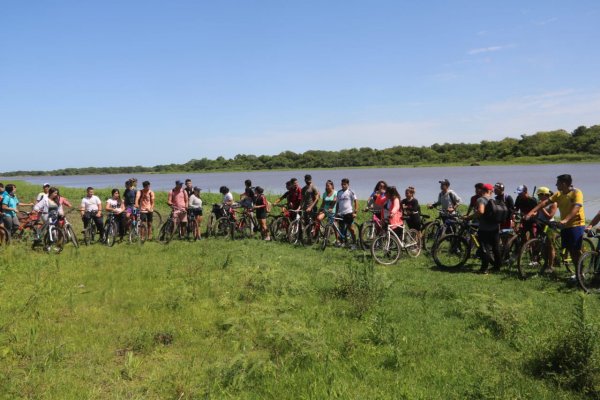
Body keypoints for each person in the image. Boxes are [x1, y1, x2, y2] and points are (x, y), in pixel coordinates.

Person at [526, 174, 586, 274]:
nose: (556, 185)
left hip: (576, 224)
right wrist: (531, 212)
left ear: (563, 184)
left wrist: (566, 219)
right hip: (565, 225)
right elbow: (544, 203)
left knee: (575, 250)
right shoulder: (558, 194)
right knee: (570, 250)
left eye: (557, 183)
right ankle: (577, 273)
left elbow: (577, 207)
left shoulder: (577, 192)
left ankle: (581, 273)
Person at [475, 183, 502, 274]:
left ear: (483, 190)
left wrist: (471, 216)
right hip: (495, 228)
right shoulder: (494, 199)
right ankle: (497, 267)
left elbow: (481, 211)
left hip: (484, 229)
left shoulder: (481, 199)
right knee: (495, 248)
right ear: (490, 191)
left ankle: (484, 269)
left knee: (484, 249)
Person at [336, 178, 358, 247]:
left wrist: (355, 212)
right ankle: (344, 242)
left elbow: (355, 201)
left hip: (348, 213)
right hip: (341, 213)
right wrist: (336, 212)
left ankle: (355, 243)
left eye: (344, 184)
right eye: (342, 184)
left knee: (351, 228)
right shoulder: (339, 192)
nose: (343, 186)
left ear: (348, 184)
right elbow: (337, 203)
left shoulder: (351, 192)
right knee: (342, 229)